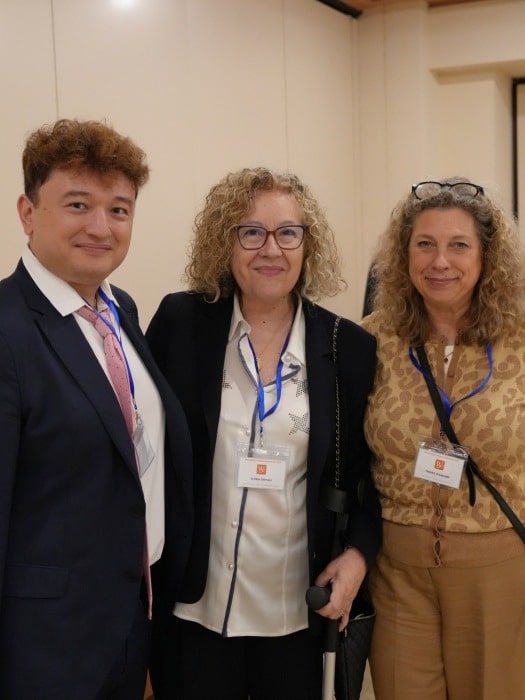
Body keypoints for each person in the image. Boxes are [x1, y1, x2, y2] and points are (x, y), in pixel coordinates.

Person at [146, 166, 382, 700]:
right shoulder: (181, 323)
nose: (270, 249)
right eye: (251, 232)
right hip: (193, 609)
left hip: (296, 614)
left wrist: (358, 555)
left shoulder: (347, 347)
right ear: (224, 243)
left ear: (307, 244)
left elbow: (366, 475)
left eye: (287, 233)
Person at [0, 118, 193, 700]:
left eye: (119, 210)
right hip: (42, 646)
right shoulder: (7, 331)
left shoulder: (119, 309)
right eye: (78, 204)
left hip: (128, 621)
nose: (100, 227)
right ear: (27, 213)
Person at [362, 177, 525, 700]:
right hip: (397, 575)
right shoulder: (371, 338)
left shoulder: (521, 338)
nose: (440, 262)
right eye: (425, 244)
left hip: (498, 571)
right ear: (403, 254)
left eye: (458, 245)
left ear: (486, 257)